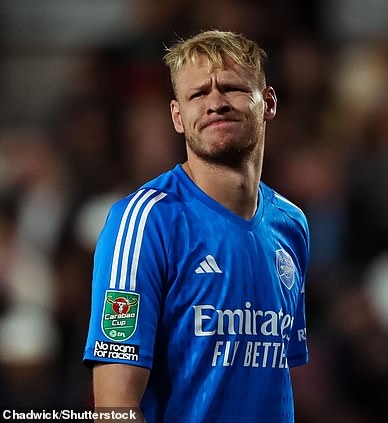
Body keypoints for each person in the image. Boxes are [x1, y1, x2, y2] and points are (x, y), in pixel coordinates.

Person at [83, 30, 310, 422]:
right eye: (198, 94)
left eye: (233, 88)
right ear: (177, 116)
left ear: (268, 102)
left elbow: (274, 378)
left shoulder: (291, 224)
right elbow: (114, 406)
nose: (216, 103)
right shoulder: (145, 221)